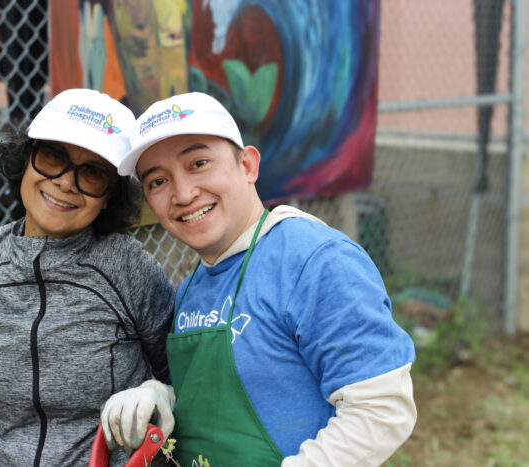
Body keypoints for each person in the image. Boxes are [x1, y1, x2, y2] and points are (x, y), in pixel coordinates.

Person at [101, 92, 416, 466]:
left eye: (199, 163)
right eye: (158, 181)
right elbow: (227, 399)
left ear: (248, 165)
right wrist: (162, 397)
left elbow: (382, 411)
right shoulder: (191, 289)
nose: (183, 193)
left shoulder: (313, 261)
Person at [0, 88, 176, 466]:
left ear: (109, 195)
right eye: (53, 156)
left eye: (92, 173)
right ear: (27, 159)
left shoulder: (129, 268)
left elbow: (178, 375)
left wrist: (160, 394)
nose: (65, 182)